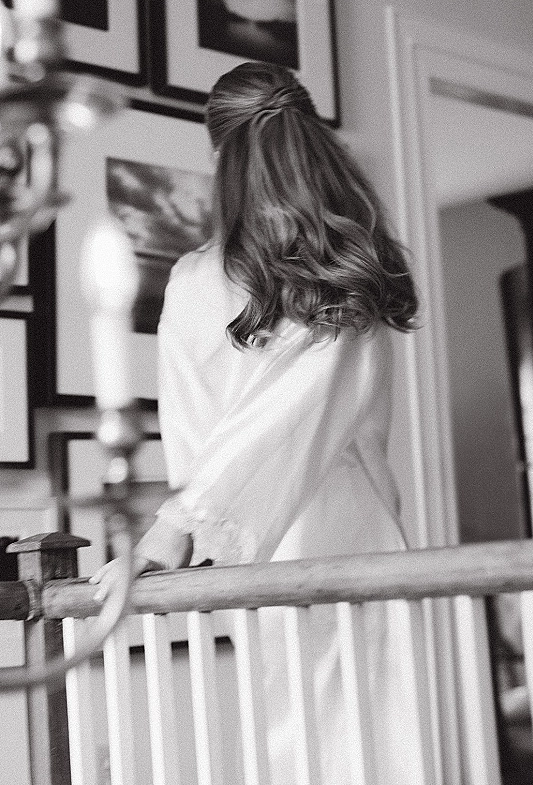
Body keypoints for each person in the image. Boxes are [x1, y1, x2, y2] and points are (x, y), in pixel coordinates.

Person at [90, 61, 421, 784]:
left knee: (306, 745)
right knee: (369, 746)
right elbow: (270, 421)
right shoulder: (347, 265)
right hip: (344, 535)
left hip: (249, 544)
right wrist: (179, 530)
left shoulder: (195, 280)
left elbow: (198, 434)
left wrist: (173, 534)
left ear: (219, 154)